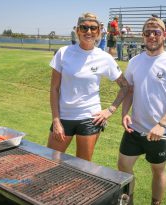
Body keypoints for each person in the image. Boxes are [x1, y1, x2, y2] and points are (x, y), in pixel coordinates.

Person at [118, 17, 166, 205]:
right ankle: (128, 202)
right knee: (123, 168)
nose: (152, 36)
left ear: (164, 35)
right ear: (142, 36)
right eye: (147, 32)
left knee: (158, 171)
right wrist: (125, 112)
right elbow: (130, 90)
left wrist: (161, 124)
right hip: (134, 129)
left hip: (160, 132)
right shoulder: (134, 61)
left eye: (156, 32)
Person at [47, 12, 129, 161]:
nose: (88, 32)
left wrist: (110, 110)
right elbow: (54, 89)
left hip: (90, 119)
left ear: (98, 32)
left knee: (83, 167)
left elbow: (125, 86)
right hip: (64, 116)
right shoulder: (63, 53)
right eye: (84, 28)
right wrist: (56, 120)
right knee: (51, 161)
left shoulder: (104, 57)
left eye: (93, 28)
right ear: (77, 30)